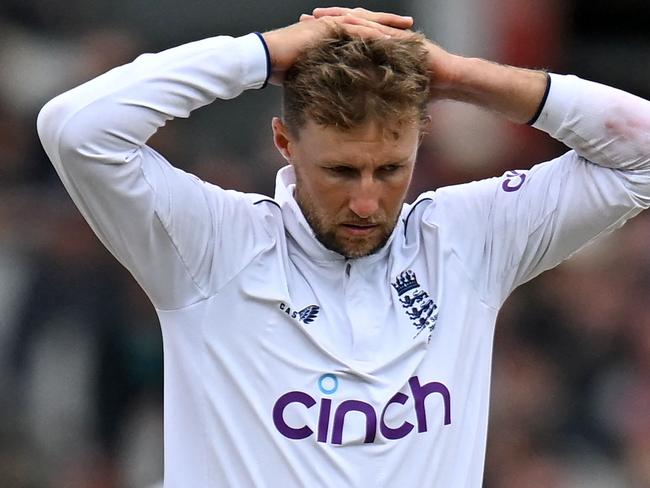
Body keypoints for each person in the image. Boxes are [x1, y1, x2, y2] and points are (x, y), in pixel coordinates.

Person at [36, 6, 650, 487]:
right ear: (284, 142)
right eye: (339, 171)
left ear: (420, 140)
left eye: (389, 170)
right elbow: (75, 128)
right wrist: (266, 53)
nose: (365, 202)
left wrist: (458, 75)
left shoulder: (466, 240)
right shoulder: (210, 245)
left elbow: (640, 156)